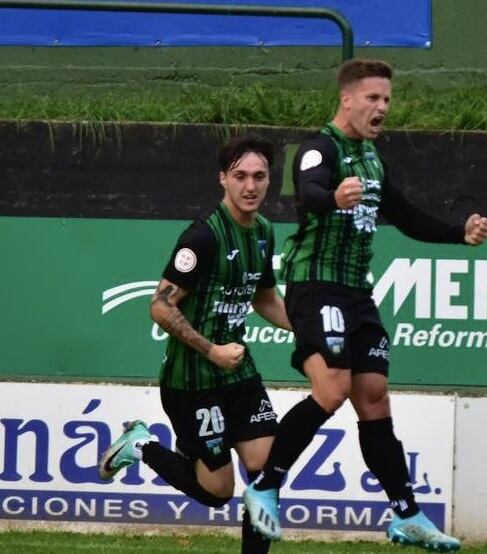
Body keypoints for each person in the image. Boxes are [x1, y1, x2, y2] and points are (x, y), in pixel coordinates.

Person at [242, 59, 487, 552]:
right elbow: (310, 191)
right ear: (347, 100)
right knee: (332, 388)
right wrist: (333, 197)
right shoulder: (320, 149)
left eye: (387, 100)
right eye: (373, 98)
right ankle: (266, 484)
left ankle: (406, 514)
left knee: (374, 395)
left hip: (357, 292)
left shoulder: (373, 160)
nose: (382, 108)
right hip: (316, 284)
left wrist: (458, 235)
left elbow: (406, 216)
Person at [97, 135, 291, 554]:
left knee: (266, 469)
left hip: (239, 372)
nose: (250, 186)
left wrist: (310, 331)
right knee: (219, 491)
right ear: (223, 179)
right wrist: (212, 350)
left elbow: (265, 298)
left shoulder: (264, 232)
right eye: (240, 176)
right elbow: (160, 306)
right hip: (193, 381)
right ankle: (142, 445)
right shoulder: (201, 238)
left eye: (259, 176)